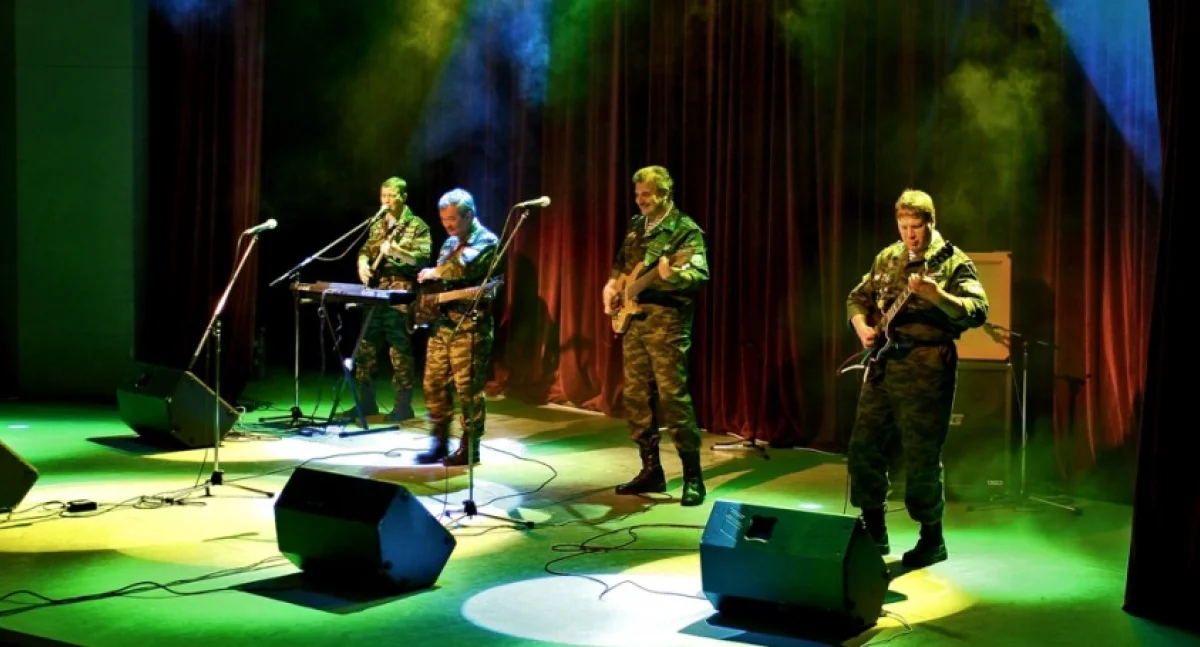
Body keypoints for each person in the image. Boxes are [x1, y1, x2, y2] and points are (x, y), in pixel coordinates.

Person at [845, 188, 989, 568]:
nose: (910, 235)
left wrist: (937, 295)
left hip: (928, 362)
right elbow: (857, 298)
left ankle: (932, 538)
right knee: (864, 446)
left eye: (916, 227)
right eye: (904, 226)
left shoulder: (952, 261)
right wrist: (862, 327)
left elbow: (977, 310)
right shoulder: (888, 257)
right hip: (885, 361)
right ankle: (874, 530)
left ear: (931, 222)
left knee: (921, 453)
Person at [603, 165, 710, 506]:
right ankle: (651, 469)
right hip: (634, 320)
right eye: (638, 195)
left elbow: (698, 275)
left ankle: (693, 477)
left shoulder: (685, 230)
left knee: (672, 398)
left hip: (667, 323)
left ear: (665, 193)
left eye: (647, 194)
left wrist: (671, 275)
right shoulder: (637, 225)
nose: (641, 200)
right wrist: (612, 286)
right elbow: (622, 264)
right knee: (636, 398)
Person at [415, 188, 500, 466]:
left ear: (469, 215)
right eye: (443, 219)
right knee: (433, 383)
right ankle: (439, 441)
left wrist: (434, 272)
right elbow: (442, 278)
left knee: (468, 389)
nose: (448, 225)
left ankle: (469, 446)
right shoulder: (449, 243)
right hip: (443, 323)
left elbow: (460, 269)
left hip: (469, 325)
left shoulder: (486, 241)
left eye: (452, 219)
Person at [345, 176, 431, 422]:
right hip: (375, 293)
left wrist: (396, 251)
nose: (386, 201)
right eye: (383, 196)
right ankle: (366, 403)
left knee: (399, 352)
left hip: (399, 295)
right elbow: (365, 250)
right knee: (366, 348)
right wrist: (362, 263)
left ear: (404, 197)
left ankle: (403, 406)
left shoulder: (417, 225)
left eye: (392, 196)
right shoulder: (378, 223)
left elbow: (422, 259)